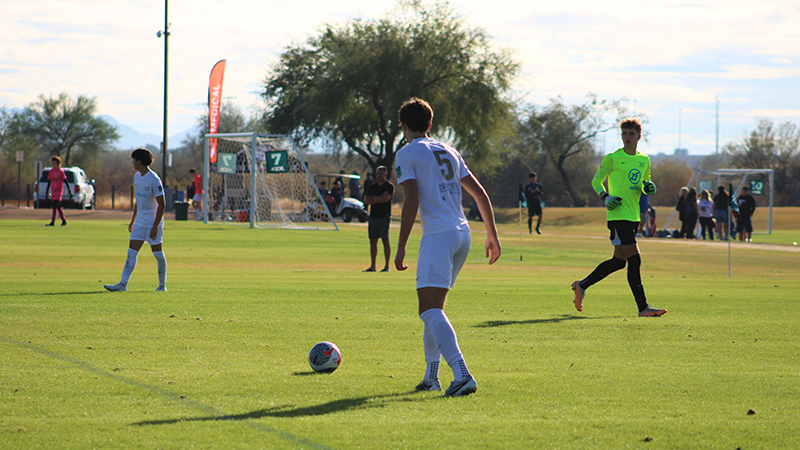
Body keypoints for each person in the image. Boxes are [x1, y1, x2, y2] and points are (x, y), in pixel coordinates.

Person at [394, 98, 501, 397]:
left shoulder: (406, 152)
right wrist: (492, 234)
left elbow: (411, 201)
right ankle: (431, 376)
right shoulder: (450, 150)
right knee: (434, 308)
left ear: (403, 126)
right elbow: (480, 194)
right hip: (462, 234)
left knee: (428, 310)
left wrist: (400, 247)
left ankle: (462, 373)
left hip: (439, 235)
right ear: (429, 125)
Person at [571, 117, 666, 317]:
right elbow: (596, 181)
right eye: (624, 133)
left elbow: (644, 182)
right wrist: (605, 197)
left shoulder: (644, 160)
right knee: (635, 260)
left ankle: (582, 285)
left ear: (639, 136)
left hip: (633, 216)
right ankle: (643, 308)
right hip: (617, 214)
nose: (627, 137)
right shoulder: (612, 158)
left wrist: (648, 186)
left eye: (631, 133)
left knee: (619, 261)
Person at [104, 148, 167, 292]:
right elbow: (138, 201)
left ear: (140, 162)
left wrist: (155, 226)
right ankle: (122, 284)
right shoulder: (137, 177)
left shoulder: (154, 179)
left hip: (152, 223)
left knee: (157, 253)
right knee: (131, 252)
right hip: (140, 223)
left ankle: (162, 285)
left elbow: (162, 205)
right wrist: (133, 221)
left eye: (134, 160)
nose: (132, 162)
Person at [362, 165, 394, 273]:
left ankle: (386, 266)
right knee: (373, 241)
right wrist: (378, 198)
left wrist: (373, 197)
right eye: (377, 173)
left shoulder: (389, 186)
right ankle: (373, 266)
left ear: (385, 174)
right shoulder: (372, 186)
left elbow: (385, 199)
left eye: (381, 173)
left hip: (384, 216)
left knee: (385, 240)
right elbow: (366, 200)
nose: (378, 176)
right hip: (373, 217)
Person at [45, 156, 73, 226]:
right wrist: (47, 191)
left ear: (57, 163)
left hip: (58, 191)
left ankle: (53, 222)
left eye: (54, 162)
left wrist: (69, 190)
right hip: (53, 191)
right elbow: (49, 181)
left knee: (54, 205)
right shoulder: (51, 171)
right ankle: (64, 220)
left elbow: (65, 181)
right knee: (58, 206)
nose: (53, 163)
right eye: (52, 162)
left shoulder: (60, 171)